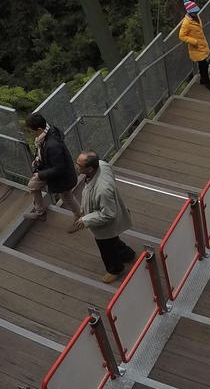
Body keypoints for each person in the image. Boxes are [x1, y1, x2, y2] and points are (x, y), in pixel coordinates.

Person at [70, 150, 137, 283]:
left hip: (105, 226)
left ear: (89, 169)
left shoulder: (102, 189)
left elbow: (108, 214)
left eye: (79, 165)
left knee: (106, 247)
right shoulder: (102, 165)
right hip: (110, 221)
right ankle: (128, 255)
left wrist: (86, 219)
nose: (76, 166)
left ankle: (115, 269)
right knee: (113, 241)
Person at [22, 112, 79, 223]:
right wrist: (37, 159)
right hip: (49, 169)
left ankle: (79, 217)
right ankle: (40, 213)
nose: (31, 133)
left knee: (67, 197)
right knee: (33, 185)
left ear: (39, 129)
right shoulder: (45, 135)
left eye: (31, 131)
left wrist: (40, 174)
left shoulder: (53, 145)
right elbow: (41, 151)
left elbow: (59, 168)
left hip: (62, 177)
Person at [178, 0, 210, 92]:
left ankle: (203, 79)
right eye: (195, 11)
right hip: (196, 47)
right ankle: (207, 82)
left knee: (202, 64)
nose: (197, 13)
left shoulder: (196, 17)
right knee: (204, 65)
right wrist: (194, 41)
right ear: (190, 12)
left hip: (201, 44)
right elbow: (181, 36)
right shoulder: (186, 23)